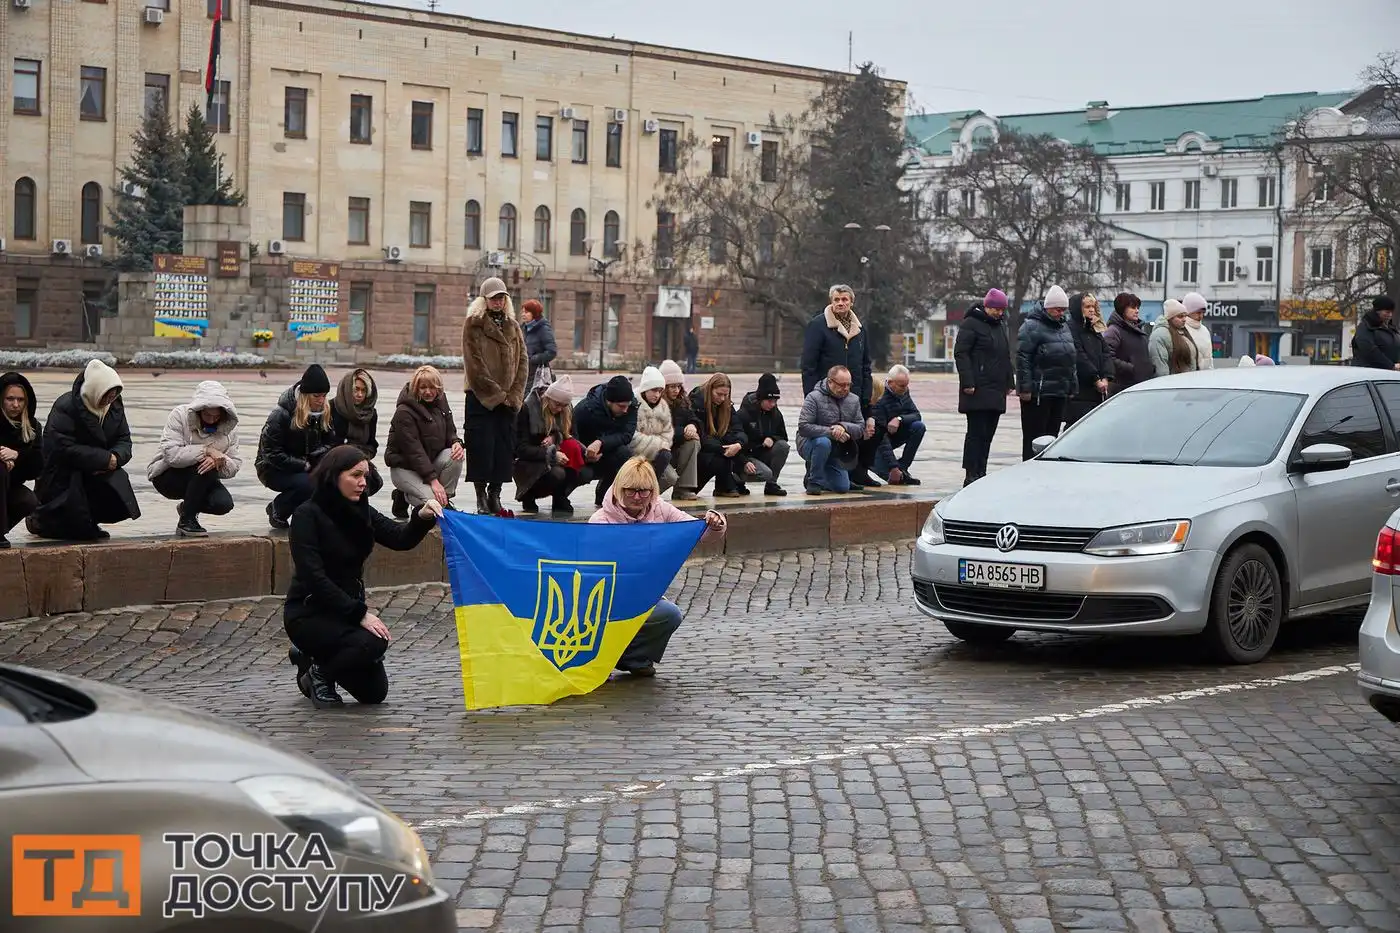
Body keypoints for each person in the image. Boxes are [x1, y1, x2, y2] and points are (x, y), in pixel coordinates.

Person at [285, 444, 442, 709]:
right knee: (374, 641)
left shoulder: (362, 511)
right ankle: (320, 674)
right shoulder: (306, 516)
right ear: (335, 476)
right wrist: (359, 614)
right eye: (355, 476)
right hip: (309, 613)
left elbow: (400, 538)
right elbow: (314, 578)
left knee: (374, 694)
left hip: (344, 613)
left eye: (365, 476)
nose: (362, 483)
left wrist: (422, 516)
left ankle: (311, 660)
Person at [589, 456, 725, 677]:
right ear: (618, 489)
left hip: (644, 596)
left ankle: (633, 657)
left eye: (644, 491)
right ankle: (602, 656)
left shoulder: (661, 509)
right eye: (631, 491)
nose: (637, 497)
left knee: (670, 614)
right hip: (608, 597)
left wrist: (715, 523)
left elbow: (696, 532)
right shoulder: (600, 520)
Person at [27, 359, 140, 541]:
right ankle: (40, 520)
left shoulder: (115, 407)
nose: (110, 399)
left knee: (117, 479)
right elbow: (64, 448)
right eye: (106, 395)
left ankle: (90, 521)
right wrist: (103, 459)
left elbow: (124, 439)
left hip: (96, 466)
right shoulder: (66, 406)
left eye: (114, 394)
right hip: (61, 471)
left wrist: (116, 458)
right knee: (69, 508)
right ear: (95, 390)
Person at [462, 277, 529, 515]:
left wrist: (514, 395)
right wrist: (496, 394)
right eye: (494, 298)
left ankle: (495, 494)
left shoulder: (513, 326)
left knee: (503, 448)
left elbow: (523, 361)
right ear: (485, 300)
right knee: (481, 446)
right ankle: (480, 494)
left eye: (502, 298)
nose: (498, 302)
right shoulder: (474, 324)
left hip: (508, 402)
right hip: (481, 399)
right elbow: (474, 365)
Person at [146, 380, 241, 537]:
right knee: (205, 465)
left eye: (216, 416)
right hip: (168, 476)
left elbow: (234, 466)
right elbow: (171, 455)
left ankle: (186, 508)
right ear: (198, 410)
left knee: (223, 504)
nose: (211, 420)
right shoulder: (179, 415)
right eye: (207, 415)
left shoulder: (228, 428)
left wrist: (220, 459)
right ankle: (187, 521)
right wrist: (207, 451)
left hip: (204, 477)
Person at [800, 284, 875, 484]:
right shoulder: (818, 325)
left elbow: (866, 366)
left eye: (845, 300)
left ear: (851, 302)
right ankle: (812, 476)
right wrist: (812, 395)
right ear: (831, 301)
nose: (840, 303)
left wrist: (865, 397)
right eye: (836, 300)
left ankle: (848, 475)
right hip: (824, 392)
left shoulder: (860, 330)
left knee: (850, 434)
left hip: (853, 393)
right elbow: (808, 365)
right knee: (822, 436)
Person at [256, 364, 333, 529]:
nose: (321, 400)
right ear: (305, 396)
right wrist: (303, 464)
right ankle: (278, 509)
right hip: (273, 468)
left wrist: (318, 456)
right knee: (308, 484)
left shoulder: (324, 413)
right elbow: (271, 453)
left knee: (329, 481)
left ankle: (311, 519)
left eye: (324, 396)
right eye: (317, 396)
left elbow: (330, 443)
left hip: (306, 464)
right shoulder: (281, 415)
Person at [385, 365, 464, 518]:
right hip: (405, 467)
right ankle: (404, 495)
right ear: (416, 388)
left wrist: (456, 442)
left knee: (454, 456)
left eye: (432, 387)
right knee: (433, 503)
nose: (428, 392)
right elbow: (414, 451)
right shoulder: (404, 412)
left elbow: (450, 430)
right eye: (423, 387)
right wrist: (433, 481)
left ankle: (445, 500)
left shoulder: (441, 400)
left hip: (429, 463)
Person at [954, 289, 1014, 487]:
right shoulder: (971, 323)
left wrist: (1009, 382)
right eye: (996, 309)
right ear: (986, 306)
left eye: (1002, 309)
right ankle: (971, 472)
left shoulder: (999, 326)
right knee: (976, 434)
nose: (999, 313)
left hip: (996, 389)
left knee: (988, 435)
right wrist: (968, 382)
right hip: (977, 389)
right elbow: (961, 354)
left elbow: (1004, 356)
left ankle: (982, 471)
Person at [1016, 286, 1078, 461]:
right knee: (1034, 436)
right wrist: (1025, 388)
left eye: (1063, 310)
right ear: (1048, 307)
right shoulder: (1031, 327)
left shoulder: (1064, 327)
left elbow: (1070, 358)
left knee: (1052, 437)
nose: (1061, 313)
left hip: (1058, 390)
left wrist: (1072, 385)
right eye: (1058, 309)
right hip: (1038, 393)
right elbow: (1023, 359)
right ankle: (1029, 467)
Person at [514, 375, 590, 514]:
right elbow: (521, 449)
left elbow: (574, 437)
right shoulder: (528, 408)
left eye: (564, 405)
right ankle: (529, 495)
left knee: (584, 471)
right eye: (557, 404)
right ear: (547, 398)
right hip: (531, 461)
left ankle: (560, 497)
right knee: (557, 473)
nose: (560, 409)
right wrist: (551, 454)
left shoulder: (567, 410)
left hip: (556, 453)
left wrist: (556, 438)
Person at [797, 365, 864, 495]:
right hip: (810, 443)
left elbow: (860, 427)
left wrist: (843, 427)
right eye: (841, 385)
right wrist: (832, 432)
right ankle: (814, 482)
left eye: (848, 385)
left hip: (837, 449)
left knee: (842, 488)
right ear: (830, 382)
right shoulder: (813, 397)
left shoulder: (854, 400)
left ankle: (822, 477)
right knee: (823, 442)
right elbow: (803, 427)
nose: (845, 389)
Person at [574, 375, 639, 506]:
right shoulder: (585, 409)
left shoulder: (631, 406)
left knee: (624, 454)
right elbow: (571, 437)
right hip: (583, 455)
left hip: (607, 452)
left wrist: (601, 442)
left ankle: (605, 493)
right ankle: (561, 496)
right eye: (621, 406)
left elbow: (626, 435)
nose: (625, 410)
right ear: (609, 402)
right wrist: (584, 454)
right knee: (583, 474)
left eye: (628, 405)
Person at [689, 372, 750, 497]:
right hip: (700, 450)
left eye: (725, 395)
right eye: (719, 394)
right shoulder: (697, 403)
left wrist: (738, 444)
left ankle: (726, 486)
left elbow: (738, 429)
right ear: (710, 389)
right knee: (720, 458)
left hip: (719, 449)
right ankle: (724, 486)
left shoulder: (726, 406)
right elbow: (701, 435)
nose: (722, 399)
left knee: (727, 454)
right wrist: (722, 448)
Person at [0, 372, 43, 548]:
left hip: (10, 487)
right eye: (10, 399)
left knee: (29, 500)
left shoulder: (32, 427)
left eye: (20, 400)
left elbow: (38, 465)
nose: (15, 405)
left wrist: (17, 455)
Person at [328, 368, 384, 498]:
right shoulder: (331, 408)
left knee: (372, 481)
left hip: (360, 460)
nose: (359, 394)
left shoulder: (370, 414)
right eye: (356, 389)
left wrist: (361, 456)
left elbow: (372, 444)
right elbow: (327, 442)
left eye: (363, 390)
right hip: (334, 461)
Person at [737, 373, 790, 496]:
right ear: (760, 398)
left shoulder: (775, 413)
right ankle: (736, 479)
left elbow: (783, 435)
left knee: (782, 446)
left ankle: (771, 484)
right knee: (765, 473)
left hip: (763, 452)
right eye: (769, 401)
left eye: (775, 401)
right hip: (745, 455)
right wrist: (744, 461)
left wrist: (772, 438)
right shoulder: (744, 414)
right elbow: (734, 440)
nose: (772, 404)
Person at [1064, 294, 1112, 428]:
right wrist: (1096, 379)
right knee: (1076, 428)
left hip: (1097, 392)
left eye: (1094, 307)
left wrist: (1106, 377)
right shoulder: (1071, 328)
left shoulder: (1094, 329)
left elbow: (1106, 353)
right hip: (1080, 390)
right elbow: (1079, 356)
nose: (1092, 310)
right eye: (1087, 307)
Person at [872, 365, 925, 485]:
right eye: (902, 385)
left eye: (907, 385)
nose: (905, 388)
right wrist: (893, 466)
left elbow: (916, 414)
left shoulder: (904, 391)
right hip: (878, 441)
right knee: (893, 478)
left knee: (918, 426)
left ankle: (904, 468)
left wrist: (899, 419)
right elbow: (881, 437)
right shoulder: (879, 397)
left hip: (894, 434)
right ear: (890, 383)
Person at [630, 366, 678, 492]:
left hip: (656, 453)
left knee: (671, 477)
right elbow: (631, 435)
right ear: (645, 389)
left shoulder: (662, 407)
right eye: (654, 390)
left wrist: (662, 445)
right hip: (635, 454)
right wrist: (657, 444)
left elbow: (668, 432)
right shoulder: (633, 405)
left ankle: (649, 495)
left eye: (660, 391)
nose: (657, 395)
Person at [659, 360, 701, 501]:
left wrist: (692, 426)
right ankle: (643, 495)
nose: (676, 390)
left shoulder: (683, 401)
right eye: (671, 387)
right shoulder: (655, 403)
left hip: (675, 450)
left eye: (678, 386)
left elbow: (693, 418)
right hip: (658, 452)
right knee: (670, 477)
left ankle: (683, 489)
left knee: (694, 442)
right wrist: (683, 432)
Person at [1102, 293, 1153, 394]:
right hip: (1122, 387)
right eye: (1133, 307)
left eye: (1138, 307)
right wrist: (1131, 368)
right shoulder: (1114, 330)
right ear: (1122, 309)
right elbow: (1107, 356)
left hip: (1140, 384)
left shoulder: (1138, 329)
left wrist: (1150, 368)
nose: (1137, 310)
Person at [1150, 300, 1198, 376]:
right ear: (1170, 318)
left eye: (1185, 316)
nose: (1184, 319)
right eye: (1180, 316)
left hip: (1187, 382)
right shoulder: (1160, 335)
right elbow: (1160, 367)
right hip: (1173, 384)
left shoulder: (1183, 332)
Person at [1351, 296, 1400, 370]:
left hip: (1389, 372)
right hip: (1370, 373)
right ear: (1377, 311)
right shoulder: (1366, 327)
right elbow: (1369, 349)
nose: (1390, 315)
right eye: (1387, 312)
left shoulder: (1391, 328)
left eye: (1391, 312)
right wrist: (1391, 365)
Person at [521, 298, 558, 389]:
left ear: (534, 313)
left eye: (526, 312)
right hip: (523, 373)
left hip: (537, 375)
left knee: (532, 400)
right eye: (522, 312)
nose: (523, 315)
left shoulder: (543, 329)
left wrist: (533, 359)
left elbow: (552, 351)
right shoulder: (522, 328)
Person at [1181, 292, 1215, 369]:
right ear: (1188, 311)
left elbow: (1209, 356)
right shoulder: (1182, 329)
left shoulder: (1204, 330)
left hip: (1205, 375)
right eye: (1198, 312)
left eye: (1203, 313)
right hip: (1189, 375)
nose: (1201, 316)